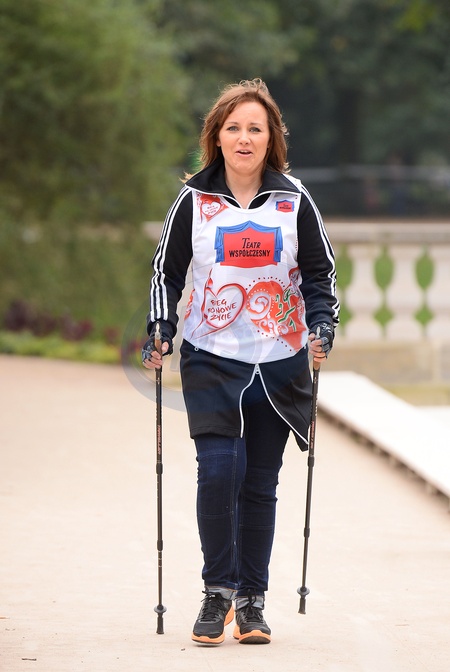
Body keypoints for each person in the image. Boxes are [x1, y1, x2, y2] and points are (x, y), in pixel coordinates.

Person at [142, 78, 339, 645]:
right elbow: (166, 273)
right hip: (212, 357)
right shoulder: (193, 201)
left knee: (259, 483)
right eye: (234, 128)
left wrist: (323, 324)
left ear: (271, 137)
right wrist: (161, 328)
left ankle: (252, 600)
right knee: (218, 472)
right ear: (217, 137)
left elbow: (320, 274)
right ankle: (217, 591)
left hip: (279, 362)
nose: (244, 138)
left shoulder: (294, 200)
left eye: (256, 128)